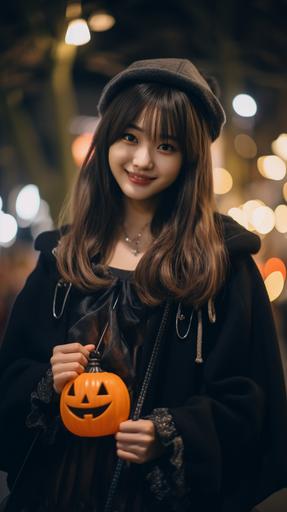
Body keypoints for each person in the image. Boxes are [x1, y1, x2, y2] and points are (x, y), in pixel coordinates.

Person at [0, 58, 287, 512]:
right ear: (107, 138)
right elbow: (8, 378)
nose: (142, 160)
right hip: (53, 493)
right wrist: (46, 381)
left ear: (190, 158)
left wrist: (173, 432)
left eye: (166, 145)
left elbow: (251, 401)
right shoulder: (61, 256)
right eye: (129, 137)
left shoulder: (221, 263)